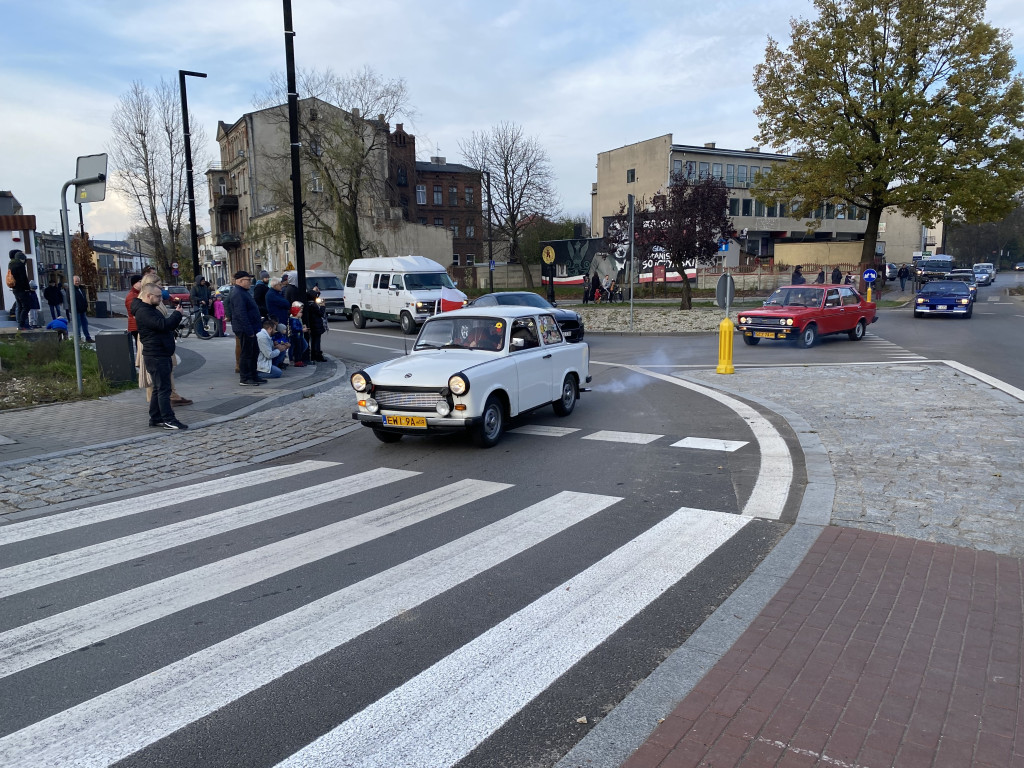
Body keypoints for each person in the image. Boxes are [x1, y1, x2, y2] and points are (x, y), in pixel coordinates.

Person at [132, 283, 187, 430]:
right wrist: (177, 315)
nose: (160, 299)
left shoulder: (149, 308)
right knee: (164, 389)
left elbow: (162, 327)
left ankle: (155, 418)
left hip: (160, 352)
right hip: (156, 355)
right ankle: (169, 419)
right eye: (158, 296)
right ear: (148, 296)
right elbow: (163, 325)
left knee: (158, 388)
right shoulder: (144, 311)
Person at [230, 270, 265, 386]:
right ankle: (245, 378)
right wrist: (249, 330)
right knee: (246, 354)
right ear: (240, 281)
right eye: (248, 280)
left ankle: (253, 375)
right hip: (245, 329)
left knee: (254, 352)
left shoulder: (244, 292)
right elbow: (241, 314)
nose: (250, 282)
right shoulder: (238, 293)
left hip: (252, 328)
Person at [8, 249, 32, 330]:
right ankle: (21, 324)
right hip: (21, 289)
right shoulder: (20, 265)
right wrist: (27, 289)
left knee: (19, 306)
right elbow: (23, 278)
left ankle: (19, 324)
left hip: (15, 289)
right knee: (26, 307)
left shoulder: (11, 264)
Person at [303, 287, 327, 363]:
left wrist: (317, 291)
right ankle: (317, 355)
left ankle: (314, 355)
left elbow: (313, 294)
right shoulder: (313, 305)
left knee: (313, 341)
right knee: (316, 341)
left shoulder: (308, 304)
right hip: (316, 325)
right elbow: (320, 313)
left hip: (312, 325)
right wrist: (323, 306)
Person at [69, 275, 93, 342]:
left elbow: (84, 298)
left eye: (78, 281)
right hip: (76, 310)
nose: (77, 282)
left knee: (85, 324)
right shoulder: (71, 289)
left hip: (83, 310)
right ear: (72, 282)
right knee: (78, 325)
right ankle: (78, 339)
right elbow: (69, 300)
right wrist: (72, 309)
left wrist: (86, 306)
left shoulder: (81, 289)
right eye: (76, 281)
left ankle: (88, 338)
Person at [125, 274, 143, 352]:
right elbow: (134, 311)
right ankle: (140, 363)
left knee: (141, 347)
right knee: (140, 348)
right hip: (136, 326)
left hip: (138, 325)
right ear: (135, 283)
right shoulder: (132, 295)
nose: (142, 283)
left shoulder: (138, 293)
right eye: (140, 281)